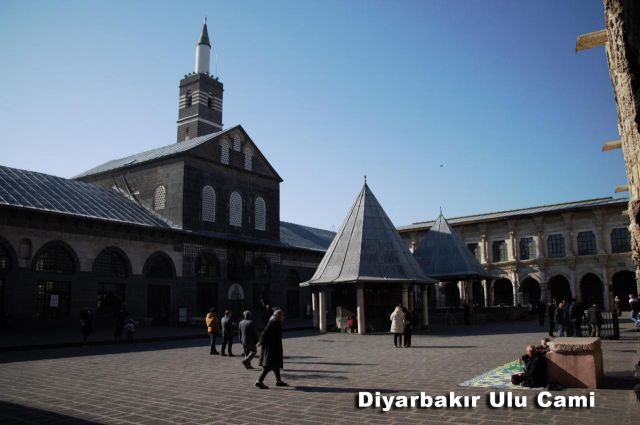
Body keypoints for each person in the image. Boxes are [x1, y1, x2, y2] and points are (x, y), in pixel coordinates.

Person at [255, 309, 288, 389]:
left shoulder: (276, 322)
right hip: (271, 348)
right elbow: (265, 333)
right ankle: (259, 381)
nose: (283, 317)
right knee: (268, 366)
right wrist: (261, 341)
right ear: (278, 316)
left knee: (276, 365)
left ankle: (279, 381)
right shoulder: (273, 322)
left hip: (274, 347)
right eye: (282, 315)